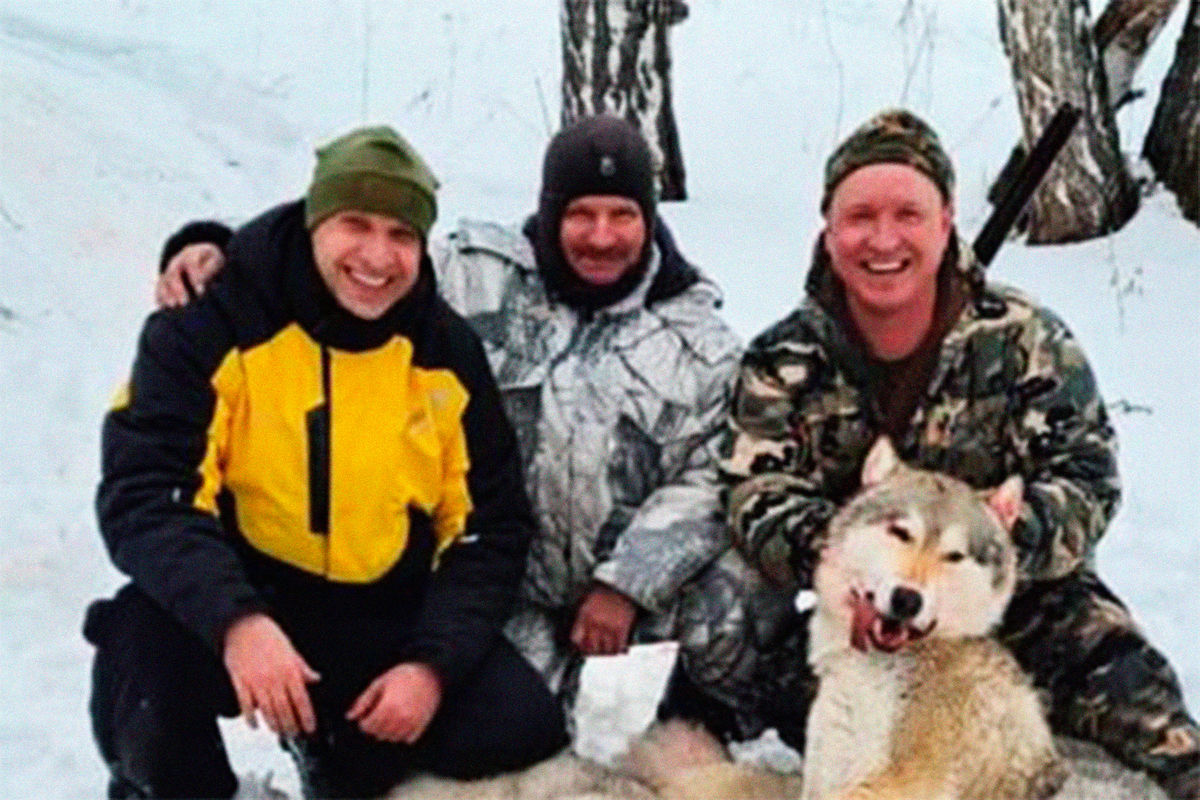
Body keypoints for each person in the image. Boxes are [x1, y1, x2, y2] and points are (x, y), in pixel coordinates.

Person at [154, 115, 749, 723]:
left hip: (629, 585)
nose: (601, 237)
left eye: (622, 215)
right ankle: (332, 739)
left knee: (745, 591)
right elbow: (354, 258)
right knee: (515, 740)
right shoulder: (475, 276)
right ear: (549, 212)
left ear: (650, 219)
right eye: (581, 214)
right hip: (503, 579)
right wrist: (217, 249)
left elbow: (711, 475)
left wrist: (626, 582)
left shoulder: (700, 343)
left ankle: (712, 727)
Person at [717, 108, 1200, 799]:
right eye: (860, 216)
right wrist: (842, 559)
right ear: (828, 228)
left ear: (946, 223)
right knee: (772, 707)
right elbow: (755, 490)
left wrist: (999, 545)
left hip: (1010, 598)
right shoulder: (784, 358)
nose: (884, 239)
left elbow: (1087, 476)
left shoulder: (1024, 336)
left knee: (1146, 713)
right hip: (864, 603)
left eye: (908, 215)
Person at [85, 125, 568, 800]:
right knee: (140, 659)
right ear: (315, 222)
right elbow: (146, 493)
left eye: (401, 235)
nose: (377, 256)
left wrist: (429, 668)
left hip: (377, 609)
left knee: (520, 725)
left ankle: (343, 760)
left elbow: (489, 528)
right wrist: (238, 622)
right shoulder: (211, 322)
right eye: (354, 225)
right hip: (244, 590)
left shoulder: (445, 353)